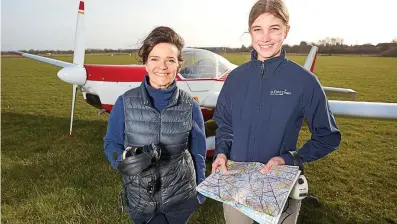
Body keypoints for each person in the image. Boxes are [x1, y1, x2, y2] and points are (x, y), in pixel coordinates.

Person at [211, 0, 341, 223]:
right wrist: (222, 151)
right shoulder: (235, 78)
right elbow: (225, 123)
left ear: (286, 31)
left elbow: (328, 136)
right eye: (257, 29)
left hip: (278, 186)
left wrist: (290, 159)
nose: (265, 38)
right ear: (249, 31)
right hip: (237, 182)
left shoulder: (305, 82)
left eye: (274, 29)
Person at [104, 26, 207, 224]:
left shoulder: (191, 106)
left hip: (181, 200)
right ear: (145, 63)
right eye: (155, 59)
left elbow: (198, 152)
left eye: (170, 60)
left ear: (179, 65)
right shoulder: (124, 103)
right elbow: (111, 143)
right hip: (141, 201)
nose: (162, 66)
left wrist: (199, 191)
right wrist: (122, 159)